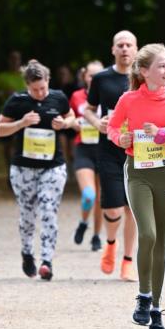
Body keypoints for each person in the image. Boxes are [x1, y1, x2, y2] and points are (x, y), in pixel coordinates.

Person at [107, 44, 165, 329]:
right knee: (147, 234)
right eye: (161, 65)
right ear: (144, 71)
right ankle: (143, 294)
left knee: (162, 242)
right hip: (138, 173)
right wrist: (120, 138)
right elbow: (111, 128)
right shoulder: (129, 99)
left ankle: (156, 309)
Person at [0, 60, 73, 281]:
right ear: (27, 85)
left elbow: (72, 117)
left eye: (43, 88)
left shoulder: (58, 97)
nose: (40, 93)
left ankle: (47, 261)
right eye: (35, 89)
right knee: (27, 214)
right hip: (23, 168)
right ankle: (27, 252)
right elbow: (0, 129)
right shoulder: (17, 100)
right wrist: (21, 123)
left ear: (49, 81)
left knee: (49, 210)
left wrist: (64, 124)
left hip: (53, 166)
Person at [82, 31, 138, 281]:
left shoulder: (144, 77)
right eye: (120, 45)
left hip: (139, 150)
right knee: (114, 207)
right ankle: (111, 244)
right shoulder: (102, 78)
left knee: (134, 210)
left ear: (136, 49)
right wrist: (97, 123)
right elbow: (88, 110)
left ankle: (128, 261)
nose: (125, 49)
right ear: (113, 49)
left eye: (129, 45)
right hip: (108, 150)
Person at [68, 60, 104, 251]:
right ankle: (83, 222)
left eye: (98, 74)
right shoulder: (76, 96)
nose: (94, 78)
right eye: (91, 75)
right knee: (89, 195)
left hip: (104, 150)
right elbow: (69, 116)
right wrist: (72, 123)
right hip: (83, 149)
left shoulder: (109, 95)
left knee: (101, 199)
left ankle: (97, 236)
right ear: (85, 77)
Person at [0, 50, 27, 175]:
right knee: (8, 147)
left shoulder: (26, 77)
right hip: (7, 115)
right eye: (12, 59)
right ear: (8, 61)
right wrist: (3, 93)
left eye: (17, 59)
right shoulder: (2, 77)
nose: (15, 61)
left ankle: (21, 170)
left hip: (25, 115)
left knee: (20, 144)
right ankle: (11, 171)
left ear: (21, 61)